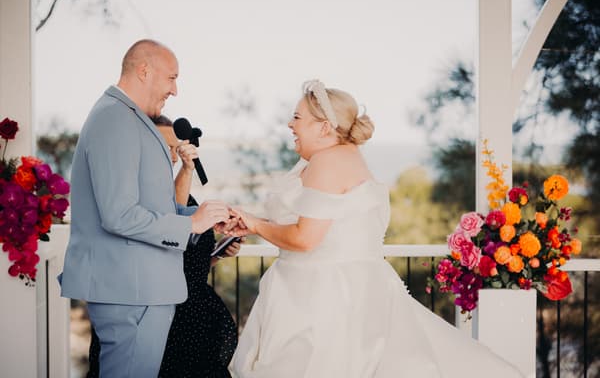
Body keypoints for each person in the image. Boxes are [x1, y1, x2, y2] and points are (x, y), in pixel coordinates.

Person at [228, 80, 524, 377]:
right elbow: (311, 222)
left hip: (323, 297)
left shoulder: (327, 161)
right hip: (330, 288)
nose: (290, 124)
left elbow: (306, 239)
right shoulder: (338, 157)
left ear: (323, 127)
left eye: (297, 117)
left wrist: (256, 225)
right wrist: (252, 222)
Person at [59, 39, 233, 378]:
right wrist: (190, 225)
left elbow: (150, 207)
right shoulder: (115, 119)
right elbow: (119, 215)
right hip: (131, 291)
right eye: (171, 78)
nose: (176, 90)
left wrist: (205, 218)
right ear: (144, 70)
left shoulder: (127, 119)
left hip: (138, 288)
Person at [86, 115, 240, 377]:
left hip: (193, 321)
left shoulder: (170, 187)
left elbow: (177, 252)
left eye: (173, 147)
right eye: (164, 147)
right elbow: (167, 221)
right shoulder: (129, 195)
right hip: (157, 321)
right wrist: (187, 171)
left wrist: (215, 255)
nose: (172, 156)